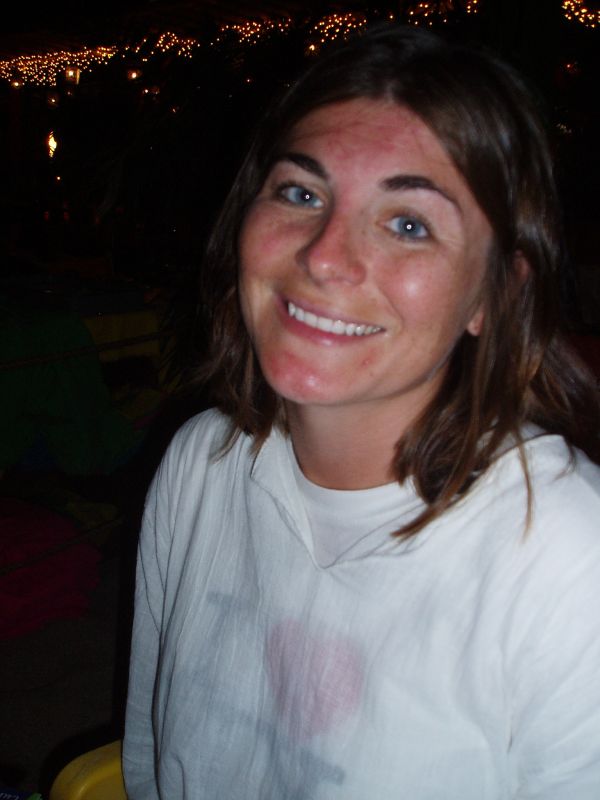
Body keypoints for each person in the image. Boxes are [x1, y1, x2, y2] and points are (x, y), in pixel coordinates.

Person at [122, 24, 600, 799]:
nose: (323, 257)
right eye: (300, 193)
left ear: (495, 295)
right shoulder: (202, 463)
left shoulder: (565, 557)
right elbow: (150, 760)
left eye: (409, 224)